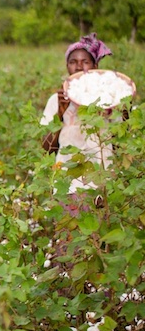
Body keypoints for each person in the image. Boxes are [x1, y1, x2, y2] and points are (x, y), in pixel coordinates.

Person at [41, 33, 114, 205]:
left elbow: (122, 139)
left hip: (102, 182)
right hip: (68, 184)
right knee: (70, 229)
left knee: (100, 229)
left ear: (95, 66)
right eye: (73, 62)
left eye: (85, 62)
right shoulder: (57, 100)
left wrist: (121, 109)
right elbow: (47, 147)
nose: (79, 66)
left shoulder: (108, 99)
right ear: (67, 66)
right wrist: (60, 113)